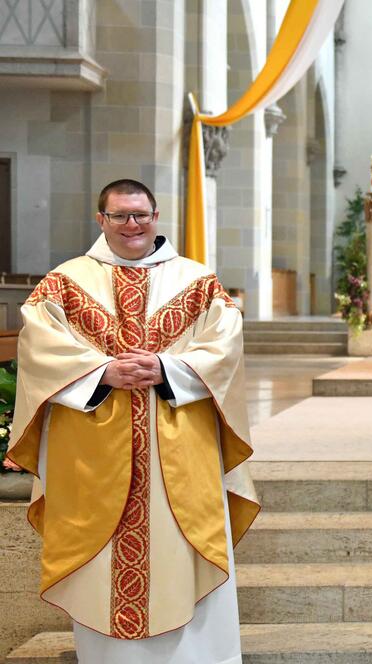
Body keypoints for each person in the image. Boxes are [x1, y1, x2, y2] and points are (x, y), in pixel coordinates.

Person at [3, 179, 259, 664]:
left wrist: (167, 369)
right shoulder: (65, 281)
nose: (131, 225)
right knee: (101, 570)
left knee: (183, 558)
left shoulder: (196, 280)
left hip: (180, 451)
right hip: (94, 455)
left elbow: (225, 345)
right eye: (120, 215)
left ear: (155, 216)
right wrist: (103, 372)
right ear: (101, 220)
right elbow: (39, 345)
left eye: (140, 214)